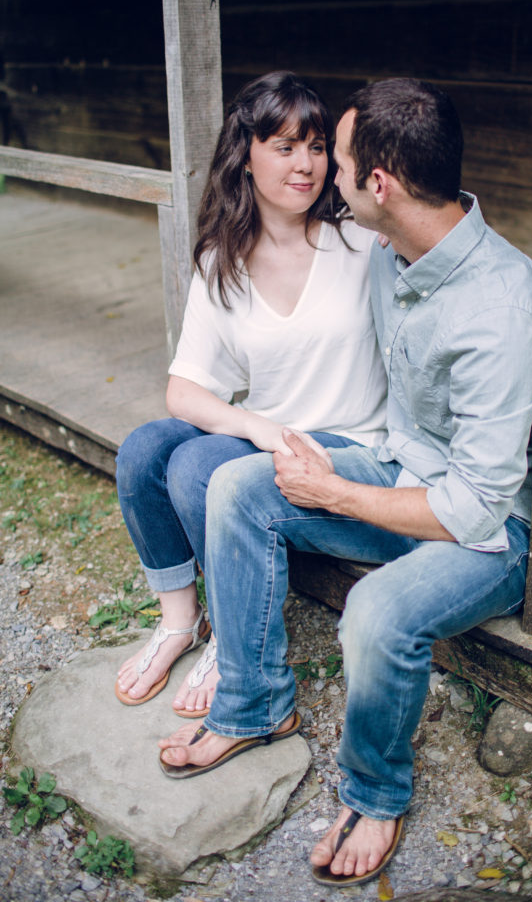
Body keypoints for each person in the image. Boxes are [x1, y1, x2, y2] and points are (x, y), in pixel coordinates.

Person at [158, 78, 532, 888]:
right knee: (238, 486)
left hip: (483, 529)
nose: (323, 179)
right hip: (399, 473)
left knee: (375, 612)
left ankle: (374, 794)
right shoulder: (388, 247)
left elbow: (475, 506)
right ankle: (255, 703)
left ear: (378, 185)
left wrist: (332, 492)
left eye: (334, 162)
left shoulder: (497, 304)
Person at [115, 71, 387, 715]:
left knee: (196, 464)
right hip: (277, 434)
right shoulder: (223, 259)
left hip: (349, 441)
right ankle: (182, 621)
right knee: (145, 447)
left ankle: (234, 634)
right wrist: (261, 427)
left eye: (317, 147)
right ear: (247, 155)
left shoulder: (360, 242)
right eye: (285, 146)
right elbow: (184, 388)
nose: (307, 164)